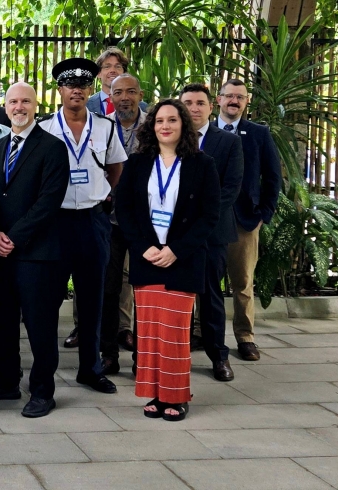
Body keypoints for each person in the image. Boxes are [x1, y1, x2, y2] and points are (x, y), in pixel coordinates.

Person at [115, 99, 221, 422]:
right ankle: (156, 394)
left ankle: (177, 396)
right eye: (159, 120)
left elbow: (209, 216)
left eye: (172, 120)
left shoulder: (202, 165)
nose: (165, 126)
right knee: (148, 332)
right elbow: (125, 209)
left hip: (182, 260)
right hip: (147, 258)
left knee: (174, 333)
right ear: (152, 126)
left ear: (183, 125)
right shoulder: (137, 163)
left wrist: (176, 249)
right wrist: (142, 245)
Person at [0, 82, 68, 418]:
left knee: (40, 325)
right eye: (13, 101)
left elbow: (49, 201)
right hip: (0, 252)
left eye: (25, 101)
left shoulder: (53, 148)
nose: (19, 107)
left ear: (36, 106)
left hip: (37, 254)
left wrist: (14, 236)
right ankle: (6, 380)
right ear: (5, 107)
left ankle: (42, 390)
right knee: (3, 321)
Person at [39, 58, 123, 395]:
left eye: (83, 84)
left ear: (91, 89)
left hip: (92, 221)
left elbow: (116, 167)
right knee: (48, 298)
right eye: (69, 84)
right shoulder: (44, 129)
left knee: (94, 298)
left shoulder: (105, 127)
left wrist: (104, 196)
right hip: (55, 222)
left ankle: (91, 368)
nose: (76, 89)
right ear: (59, 90)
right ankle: (46, 371)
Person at [180, 83, 244, 382]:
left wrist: (200, 218)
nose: (194, 108)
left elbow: (230, 188)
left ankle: (218, 356)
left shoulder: (228, 142)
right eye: (188, 102)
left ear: (210, 106)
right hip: (173, 234)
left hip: (211, 233)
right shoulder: (168, 137)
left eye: (199, 103)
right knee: (173, 296)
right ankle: (166, 356)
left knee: (211, 296)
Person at [219, 79, 281, 362]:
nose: (234, 101)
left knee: (242, 282)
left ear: (247, 101)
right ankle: (198, 332)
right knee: (203, 279)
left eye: (239, 97)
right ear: (218, 100)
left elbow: (272, 177)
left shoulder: (258, 133)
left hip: (245, 220)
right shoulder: (202, 132)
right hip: (209, 220)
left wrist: (263, 214)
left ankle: (245, 337)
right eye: (229, 96)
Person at [102, 73, 147, 364]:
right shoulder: (102, 127)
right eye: (118, 93)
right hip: (111, 221)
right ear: (111, 98)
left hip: (145, 223)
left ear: (140, 96)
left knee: (144, 288)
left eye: (131, 92)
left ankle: (144, 354)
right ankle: (108, 353)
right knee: (109, 287)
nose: (124, 98)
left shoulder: (155, 127)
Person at [86, 47, 148, 115]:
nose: (113, 70)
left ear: (124, 73)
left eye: (118, 66)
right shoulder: (86, 106)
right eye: (107, 67)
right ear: (98, 73)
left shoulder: (144, 108)